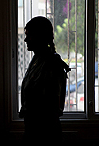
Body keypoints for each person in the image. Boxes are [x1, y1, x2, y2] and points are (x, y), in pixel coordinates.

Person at [19, 16, 70, 144]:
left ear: (39, 36)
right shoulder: (37, 60)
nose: (25, 39)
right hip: (33, 130)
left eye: (29, 35)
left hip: (45, 135)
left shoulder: (52, 63)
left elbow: (52, 107)